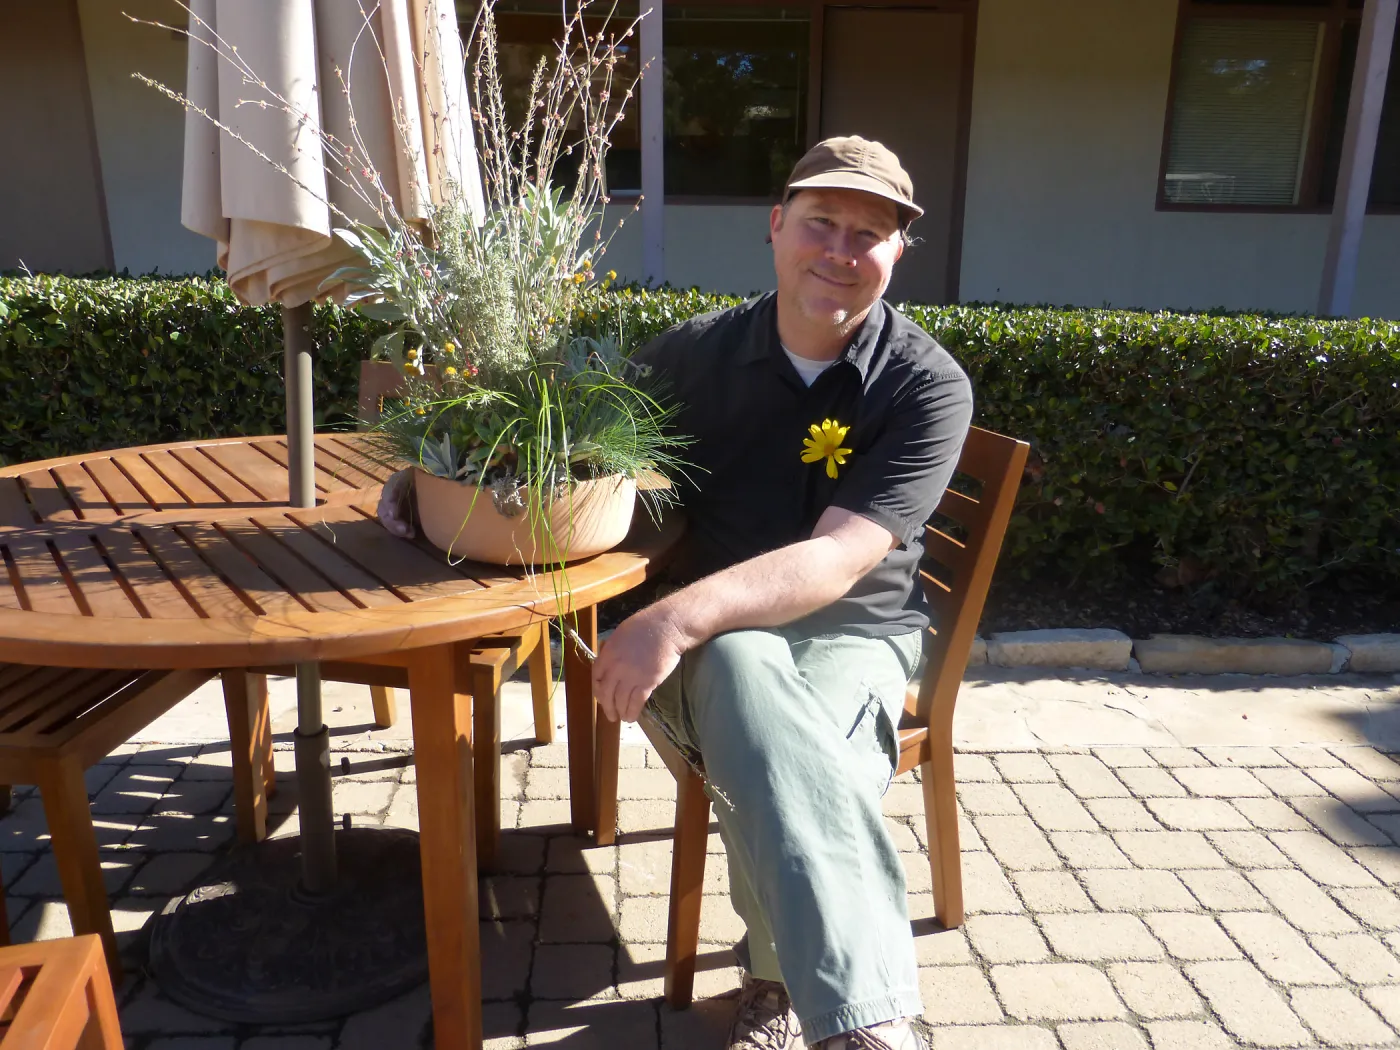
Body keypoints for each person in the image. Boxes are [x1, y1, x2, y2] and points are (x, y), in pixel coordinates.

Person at [591, 136, 975, 1050]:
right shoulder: (689, 356)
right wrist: (438, 476)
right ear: (775, 226)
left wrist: (668, 617)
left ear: (897, 252)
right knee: (742, 665)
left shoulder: (926, 386)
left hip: (856, 633)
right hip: (711, 648)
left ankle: (782, 984)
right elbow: (576, 453)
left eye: (869, 234)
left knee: (781, 744)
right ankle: (863, 1020)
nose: (840, 251)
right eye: (820, 222)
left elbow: (839, 559)